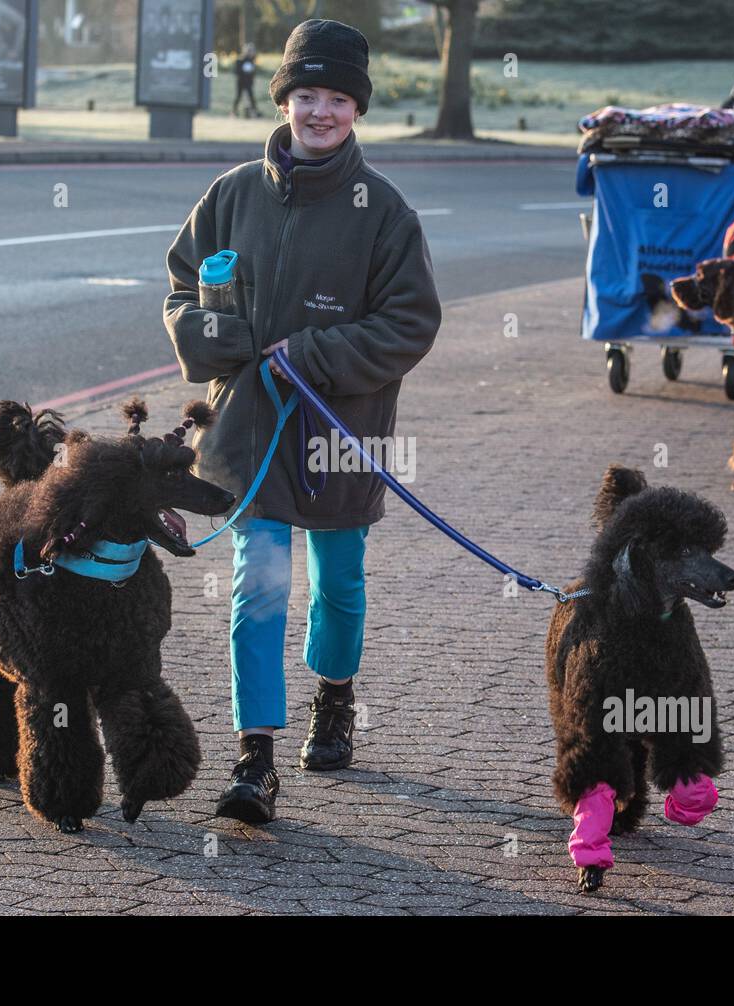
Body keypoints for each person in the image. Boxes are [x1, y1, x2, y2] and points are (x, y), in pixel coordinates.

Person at [163, 19, 442, 824]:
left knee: (340, 585)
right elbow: (183, 289)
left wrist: (313, 353)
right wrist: (229, 340)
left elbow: (409, 325)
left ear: (357, 109)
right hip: (247, 431)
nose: (319, 112)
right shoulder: (231, 194)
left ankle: (336, 694)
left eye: (338, 99)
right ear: (285, 99)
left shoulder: (384, 211)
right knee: (259, 586)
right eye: (306, 95)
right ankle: (256, 757)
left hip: (337, 434)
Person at [232, 42, 261, 117]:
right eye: (249, 51)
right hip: (241, 82)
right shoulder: (240, 61)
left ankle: (255, 112)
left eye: (251, 51)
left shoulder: (252, 61)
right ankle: (234, 112)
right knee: (238, 97)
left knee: (251, 98)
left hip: (248, 83)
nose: (250, 53)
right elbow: (236, 72)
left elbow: (253, 73)